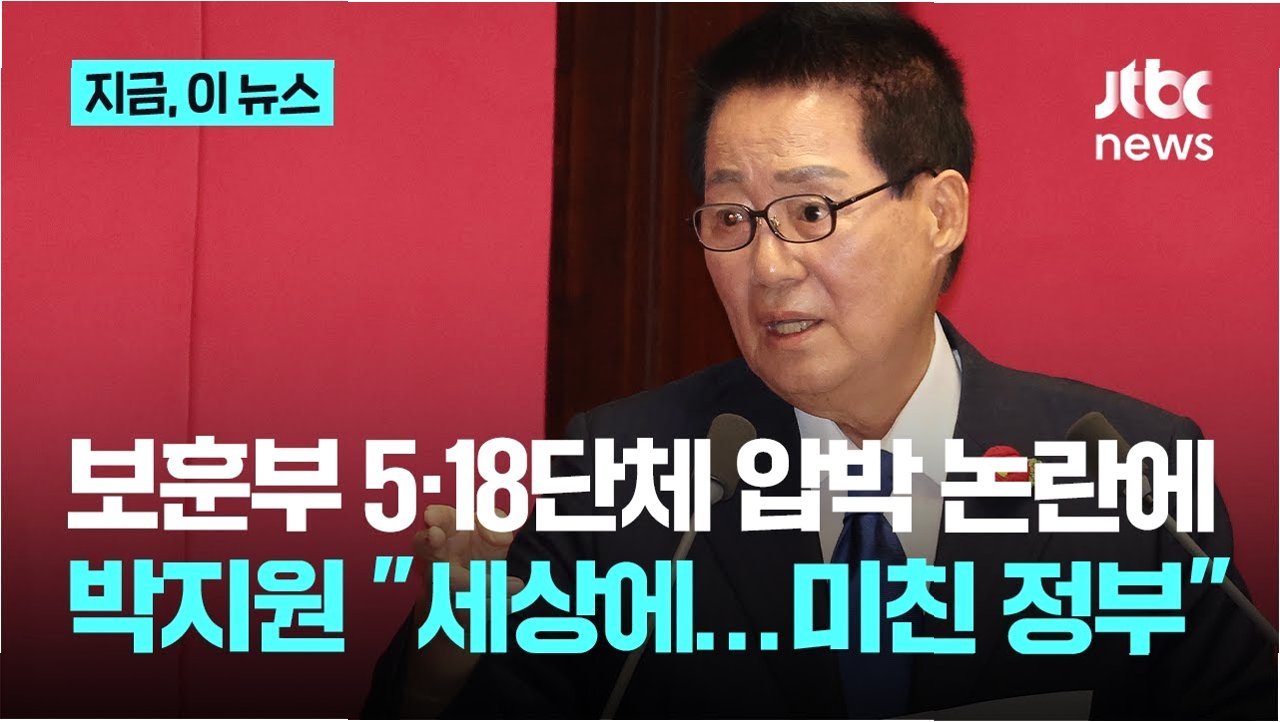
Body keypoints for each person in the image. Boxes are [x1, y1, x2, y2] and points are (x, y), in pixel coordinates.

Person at [364, 5, 1275, 718]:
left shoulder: (1125, 473)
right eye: (732, 218)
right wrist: (442, 670)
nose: (767, 267)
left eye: (812, 212)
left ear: (941, 214)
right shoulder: (619, 474)